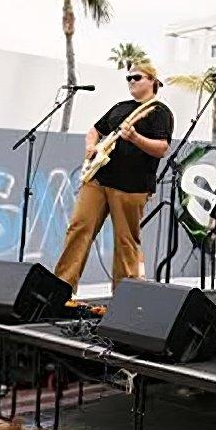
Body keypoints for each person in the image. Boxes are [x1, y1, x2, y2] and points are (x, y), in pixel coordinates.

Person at [55, 63, 174, 290]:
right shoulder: (120, 107)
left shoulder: (159, 112)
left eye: (136, 77)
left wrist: (136, 138)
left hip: (132, 186)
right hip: (99, 179)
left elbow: (162, 148)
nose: (131, 81)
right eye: (128, 78)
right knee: (78, 229)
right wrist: (91, 146)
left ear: (152, 80)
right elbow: (94, 130)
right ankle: (62, 288)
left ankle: (124, 297)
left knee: (125, 241)